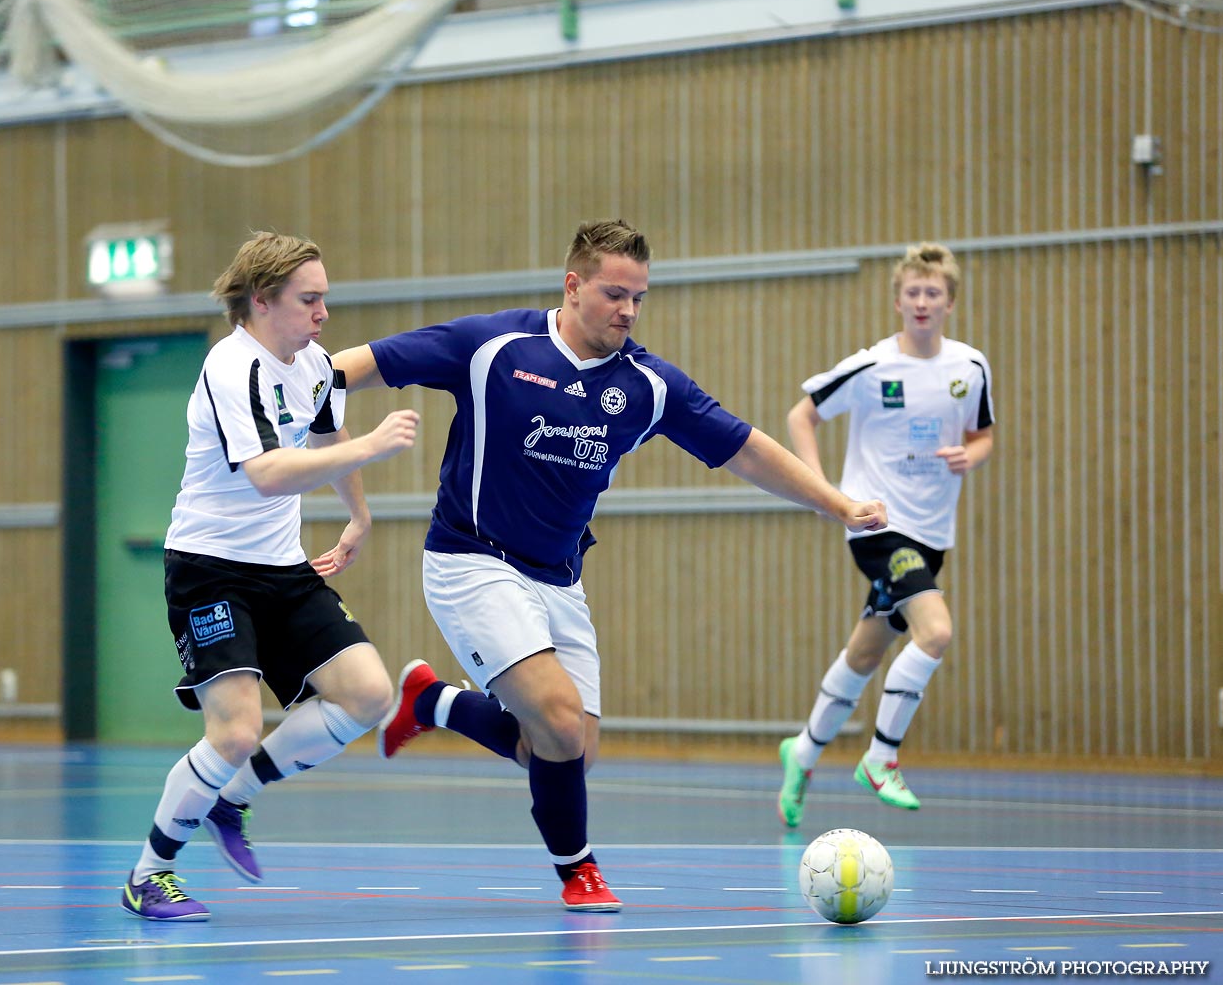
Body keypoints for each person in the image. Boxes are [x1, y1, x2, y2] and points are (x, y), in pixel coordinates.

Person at [332, 219, 887, 912]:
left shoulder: (648, 386)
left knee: (568, 751)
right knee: (559, 724)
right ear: (572, 286)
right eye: (614, 294)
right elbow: (360, 364)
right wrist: (297, 389)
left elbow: (744, 446)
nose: (627, 311)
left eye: (639, 299)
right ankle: (579, 871)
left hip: (560, 577)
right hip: (471, 562)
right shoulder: (493, 346)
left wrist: (835, 502)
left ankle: (431, 700)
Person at [121, 231, 420, 921]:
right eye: (308, 300)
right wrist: (377, 448)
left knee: (369, 695)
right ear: (262, 301)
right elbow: (265, 475)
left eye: (325, 300)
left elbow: (323, 440)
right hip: (210, 571)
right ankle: (150, 873)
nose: (322, 315)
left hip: (282, 567)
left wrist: (359, 517)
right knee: (233, 731)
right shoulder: (232, 367)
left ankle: (235, 796)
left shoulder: (312, 363)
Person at [775, 242, 994, 829]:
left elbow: (983, 434)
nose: (923, 302)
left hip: (932, 534)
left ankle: (802, 752)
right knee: (936, 631)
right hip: (877, 524)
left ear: (949, 303)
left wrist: (971, 456)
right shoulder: (872, 367)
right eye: (913, 292)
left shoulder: (969, 368)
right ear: (898, 299)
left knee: (866, 652)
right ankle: (880, 757)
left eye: (934, 294)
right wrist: (825, 492)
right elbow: (803, 415)